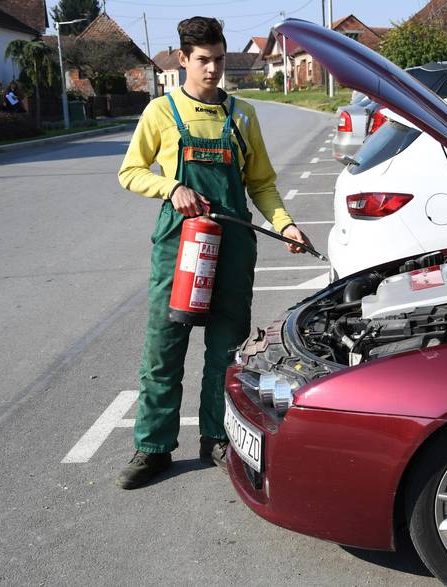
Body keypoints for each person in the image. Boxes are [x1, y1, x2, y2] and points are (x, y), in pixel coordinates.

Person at [116, 16, 311, 489]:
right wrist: (170, 187)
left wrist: (284, 224)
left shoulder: (241, 115)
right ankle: (153, 447)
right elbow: (130, 171)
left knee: (226, 349)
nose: (213, 70)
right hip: (180, 246)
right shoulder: (160, 113)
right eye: (203, 60)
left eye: (219, 60)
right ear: (182, 59)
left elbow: (261, 183)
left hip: (234, 244)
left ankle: (215, 438)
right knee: (164, 348)